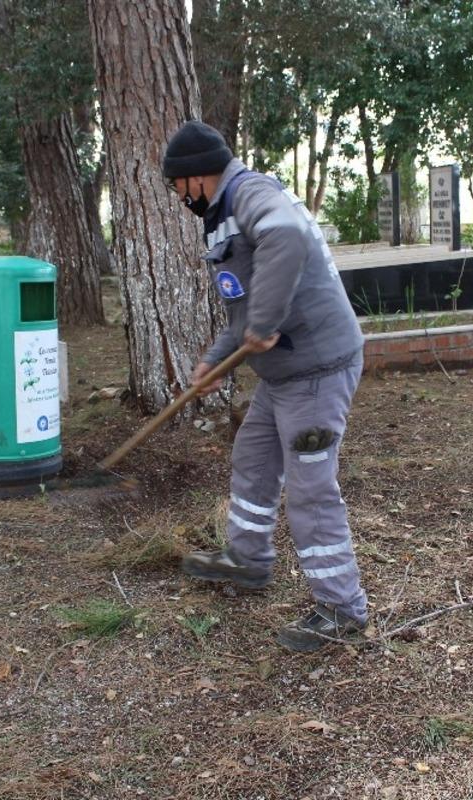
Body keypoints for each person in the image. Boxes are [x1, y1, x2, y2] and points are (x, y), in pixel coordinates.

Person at [162, 120, 369, 652]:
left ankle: (342, 607)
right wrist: (214, 363)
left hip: (317, 371)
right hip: (283, 376)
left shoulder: (251, 193)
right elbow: (244, 310)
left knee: (310, 488)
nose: (177, 197)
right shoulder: (221, 216)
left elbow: (287, 237)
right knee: (252, 461)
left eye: (176, 186)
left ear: (194, 178)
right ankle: (247, 561)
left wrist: (265, 321)